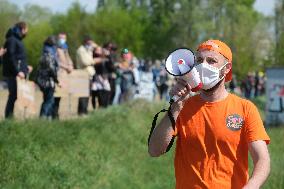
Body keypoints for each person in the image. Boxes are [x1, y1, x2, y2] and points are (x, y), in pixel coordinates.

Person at [148, 40, 270, 189]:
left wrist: (251, 186)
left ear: (226, 68)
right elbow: (154, 150)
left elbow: (262, 160)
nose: (203, 65)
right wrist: (175, 108)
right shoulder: (183, 107)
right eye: (199, 60)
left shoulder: (245, 108)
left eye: (211, 61)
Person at [2, 22, 33, 118]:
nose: (27, 32)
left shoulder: (17, 40)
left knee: (15, 96)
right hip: (13, 74)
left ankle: (10, 116)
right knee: (13, 95)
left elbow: (18, 58)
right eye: (26, 30)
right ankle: (8, 117)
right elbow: (11, 57)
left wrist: (25, 68)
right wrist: (18, 71)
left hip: (18, 73)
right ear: (22, 29)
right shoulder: (12, 40)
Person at [36, 35, 59, 119]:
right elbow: (52, 69)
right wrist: (57, 80)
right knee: (49, 101)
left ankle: (48, 118)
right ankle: (43, 117)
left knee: (47, 100)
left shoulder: (44, 53)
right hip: (48, 82)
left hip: (42, 81)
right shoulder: (50, 55)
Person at [52, 32, 74, 119]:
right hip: (57, 74)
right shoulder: (55, 49)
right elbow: (56, 62)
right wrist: (66, 67)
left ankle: (56, 114)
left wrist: (71, 65)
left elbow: (68, 58)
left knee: (59, 96)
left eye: (64, 38)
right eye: (61, 38)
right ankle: (53, 115)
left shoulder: (65, 48)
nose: (62, 40)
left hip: (63, 76)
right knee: (55, 97)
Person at [76, 36, 99, 115]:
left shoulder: (88, 50)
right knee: (83, 95)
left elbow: (99, 49)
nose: (90, 45)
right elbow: (85, 62)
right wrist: (94, 61)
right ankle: (82, 112)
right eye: (89, 43)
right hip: (83, 74)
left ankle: (84, 111)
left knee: (87, 94)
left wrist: (95, 46)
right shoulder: (81, 50)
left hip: (89, 75)